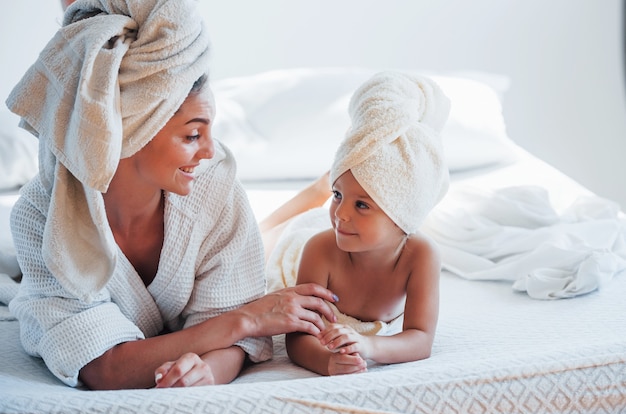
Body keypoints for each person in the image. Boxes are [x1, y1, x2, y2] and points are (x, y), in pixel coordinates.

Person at [7, 0, 336, 390]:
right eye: (192, 135)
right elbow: (103, 367)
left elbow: (238, 343)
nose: (210, 151)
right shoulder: (42, 214)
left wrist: (209, 371)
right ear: (132, 132)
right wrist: (246, 319)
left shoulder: (214, 186)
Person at [262, 71, 451, 376]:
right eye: (337, 195)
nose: (341, 213)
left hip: (347, 236)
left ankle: (322, 187)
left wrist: (368, 345)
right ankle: (319, 189)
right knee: (261, 238)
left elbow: (421, 338)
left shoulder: (420, 255)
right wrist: (326, 362)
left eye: (362, 204)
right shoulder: (319, 249)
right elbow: (298, 336)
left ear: (402, 216)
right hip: (297, 241)